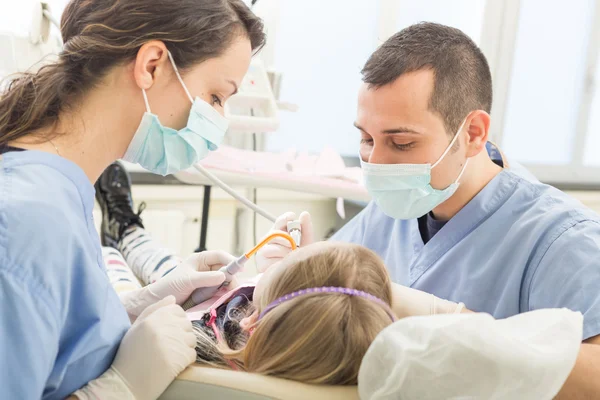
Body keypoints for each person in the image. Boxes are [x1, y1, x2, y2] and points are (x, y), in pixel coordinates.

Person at [257, 22, 600, 397]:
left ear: (473, 134)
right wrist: (297, 277)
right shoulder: (390, 211)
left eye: (402, 143)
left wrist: (448, 323)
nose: (378, 163)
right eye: (366, 138)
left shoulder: (562, 240)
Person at [0, 0, 265, 398]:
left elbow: (50, 338)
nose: (219, 120)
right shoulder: (29, 221)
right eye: (215, 96)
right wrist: (121, 387)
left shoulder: (59, 190)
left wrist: (134, 306)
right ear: (152, 65)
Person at [95, 162, 395, 385]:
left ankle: (118, 239)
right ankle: (128, 230)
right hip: (212, 298)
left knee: (118, 271)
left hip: (176, 313)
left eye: (268, 279)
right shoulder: (304, 333)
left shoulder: (196, 346)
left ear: (250, 321)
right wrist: (287, 276)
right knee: (165, 261)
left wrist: (145, 302)